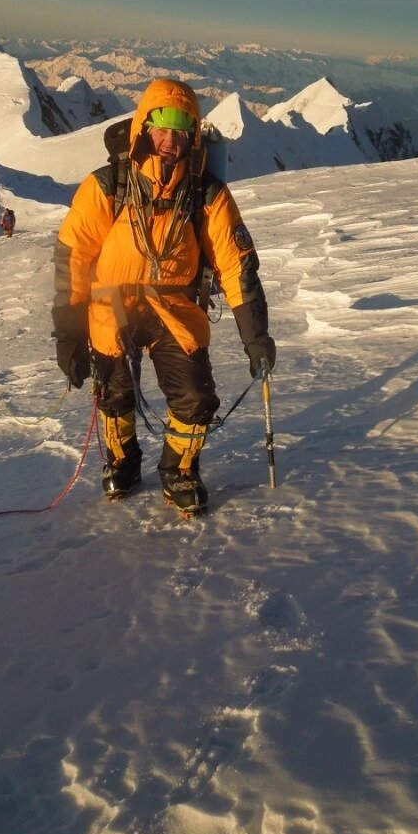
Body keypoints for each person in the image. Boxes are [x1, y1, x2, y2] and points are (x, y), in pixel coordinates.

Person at [51, 78, 275, 517]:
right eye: (160, 125)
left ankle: (179, 469)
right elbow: (72, 261)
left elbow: (236, 265)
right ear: (142, 128)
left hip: (174, 304)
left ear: (193, 135)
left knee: (195, 396)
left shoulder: (206, 194)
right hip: (109, 303)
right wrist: (69, 335)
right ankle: (123, 460)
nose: (169, 138)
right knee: (112, 391)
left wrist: (256, 338)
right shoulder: (108, 185)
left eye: (181, 128)